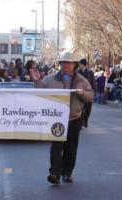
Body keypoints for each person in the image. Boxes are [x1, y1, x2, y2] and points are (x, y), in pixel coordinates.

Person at [30, 52, 94, 185]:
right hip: (56, 119)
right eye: (63, 62)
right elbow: (39, 92)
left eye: (69, 63)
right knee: (56, 147)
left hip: (74, 119)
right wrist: (36, 80)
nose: (66, 65)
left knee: (71, 148)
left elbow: (91, 95)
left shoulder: (81, 80)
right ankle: (55, 173)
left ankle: (67, 173)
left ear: (74, 65)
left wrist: (83, 94)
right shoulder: (50, 79)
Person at [78, 59, 96, 128]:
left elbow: (93, 83)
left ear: (84, 65)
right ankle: (81, 123)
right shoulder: (77, 72)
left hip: (88, 93)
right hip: (80, 94)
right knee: (81, 110)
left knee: (88, 109)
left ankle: (85, 120)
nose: (79, 65)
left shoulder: (90, 72)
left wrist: (94, 93)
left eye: (80, 64)